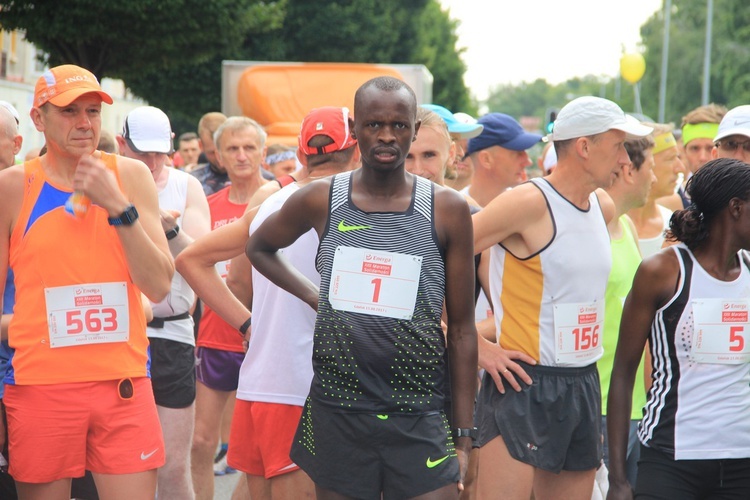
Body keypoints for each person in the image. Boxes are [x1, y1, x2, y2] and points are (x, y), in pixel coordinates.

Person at [246, 77, 478, 499]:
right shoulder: (321, 200)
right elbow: (259, 247)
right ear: (355, 131)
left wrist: (464, 437)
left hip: (420, 412)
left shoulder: (447, 210)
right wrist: (315, 296)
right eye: (374, 125)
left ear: (412, 129)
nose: (386, 136)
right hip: (340, 412)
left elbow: (462, 329)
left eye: (398, 125)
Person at [0, 64, 173, 499]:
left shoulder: (131, 177)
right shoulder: (14, 187)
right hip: (41, 387)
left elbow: (159, 286)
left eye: (93, 111)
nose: (84, 123)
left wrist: (118, 206)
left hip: (124, 383)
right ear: (38, 119)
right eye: (69, 111)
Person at [472, 96, 652, 500]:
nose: (626, 159)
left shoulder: (602, 206)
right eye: (618, 144)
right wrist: (474, 345)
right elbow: (436, 247)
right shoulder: (527, 201)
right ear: (584, 147)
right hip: (523, 382)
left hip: (582, 383)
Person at [177, 106, 360, 499]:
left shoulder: (274, 205)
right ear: (357, 151)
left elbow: (191, 260)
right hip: (307, 387)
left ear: (302, 153)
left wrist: (248, 325)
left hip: (260, 385)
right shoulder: (358, 205)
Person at [608, 158, 750, 499]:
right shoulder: (663, 271)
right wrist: (618, 480)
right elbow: (624, 372)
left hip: (742, 462)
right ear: (735, 208)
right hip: (671, 460)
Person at [117, 105, 211, 500]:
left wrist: (170, 228)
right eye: (142, 153)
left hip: (169, 334)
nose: (153, 163)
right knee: (116, 465)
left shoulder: (186, 186)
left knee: (173, 465)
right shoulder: (102, 182)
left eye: (160, 152)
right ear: (122, 145)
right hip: (115, 335)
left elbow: (203, 262)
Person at [190, 116, 269, 500]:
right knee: (202, 441)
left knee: (263, 449)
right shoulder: (206, 206)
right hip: (217, 334)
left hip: (265, 335)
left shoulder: (279, 200)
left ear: (263, 152)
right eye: (233, 148)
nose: (241, 156)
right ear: (218, 155)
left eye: (249, 147)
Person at [598, 132, 656, 488]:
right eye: (650, 167)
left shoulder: (628, 226)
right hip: (598, 406)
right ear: (629, 171)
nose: (655, 178)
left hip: (636, 406)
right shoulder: (589, 225)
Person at [627, 124, 685, 258]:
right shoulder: (610, 221)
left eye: (679, 158)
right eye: (671, 159)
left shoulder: (672, 215)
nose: (680, 168)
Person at [464, 113, 542, 207]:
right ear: (486, 159)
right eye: (518, 153)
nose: (528, 162)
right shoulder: (452, 210)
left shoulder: (526, 207)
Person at [661, 104, 727, 209]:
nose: (702, 157)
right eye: (695, 148)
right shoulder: (668, 202)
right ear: (684, 151)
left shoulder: (740, 199)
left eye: (710, 148)